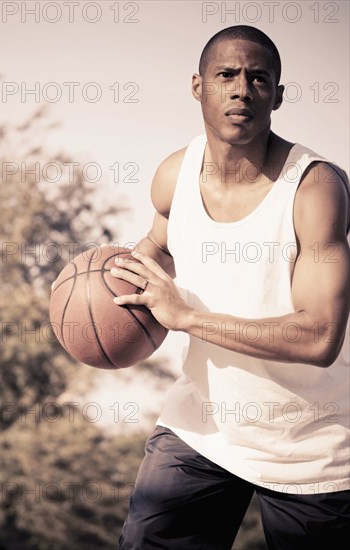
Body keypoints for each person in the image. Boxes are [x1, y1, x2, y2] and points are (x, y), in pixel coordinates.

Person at [111, 25, 350, 549]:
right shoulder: (175, 175)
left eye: (258, 78)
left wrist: (188, 317)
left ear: (277, 96)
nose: (242, 89)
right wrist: (105, 287)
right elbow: (159, 246)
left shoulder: (315, 188)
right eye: (226, 75)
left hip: (310, 445)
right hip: (203, 427)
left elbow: (320, 336)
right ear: (199, 86)